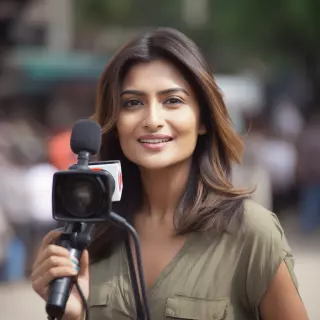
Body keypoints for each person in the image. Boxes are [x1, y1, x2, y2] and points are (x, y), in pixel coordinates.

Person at [31, 28, 308, 320]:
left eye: (172, 101)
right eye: (133, 103)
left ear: (203, 119)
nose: (152, 120)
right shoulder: (89, 236)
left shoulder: (250, 231)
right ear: (116, 121)